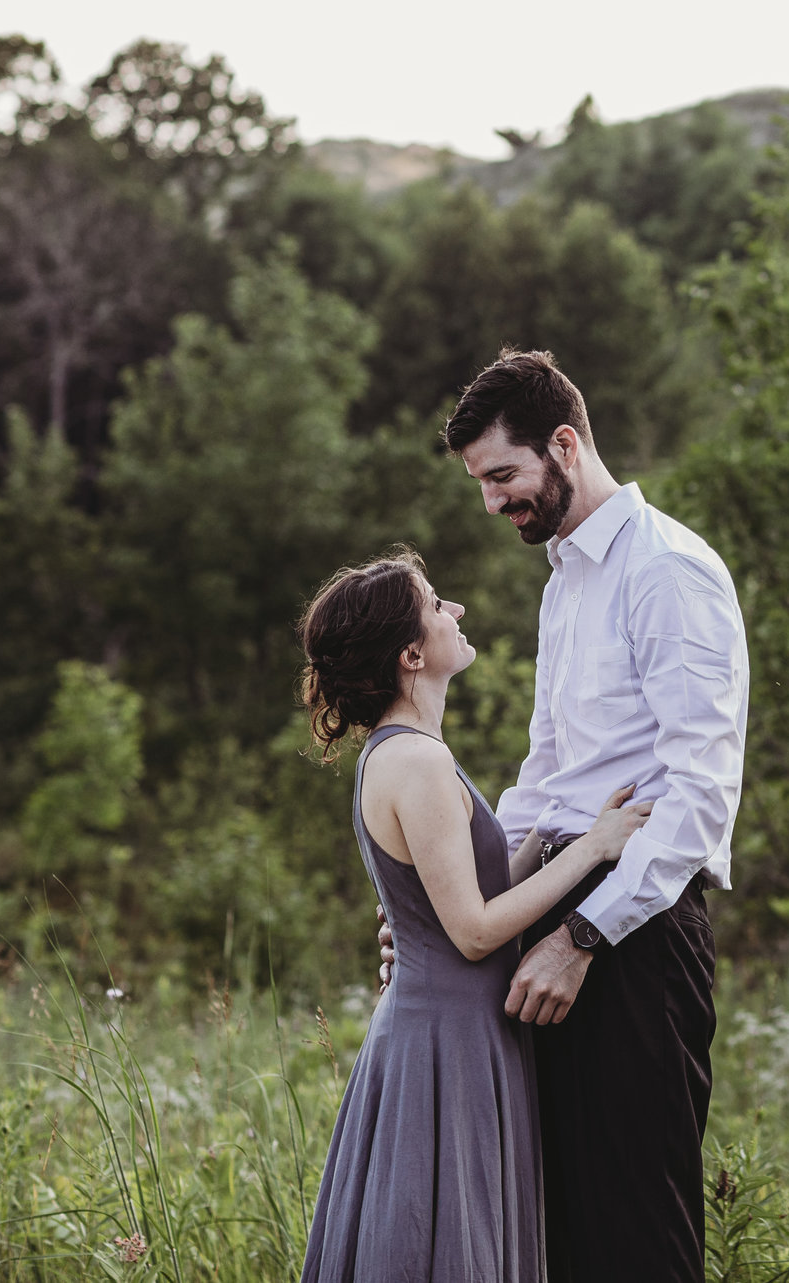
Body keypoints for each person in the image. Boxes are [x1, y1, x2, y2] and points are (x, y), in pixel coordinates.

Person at [382, 349, 749, 1283]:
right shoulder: (566, 581)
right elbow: (543, 783)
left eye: (503, 475)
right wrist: (442, 909)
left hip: (638, 929)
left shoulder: (667, 571)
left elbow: (699, 792)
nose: (493, 501)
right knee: (563, 1230)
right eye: (481, 484)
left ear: (565, 444)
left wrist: (583, 937)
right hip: (555, 906)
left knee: (637, 1229)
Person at [299, 546, 652, 1283]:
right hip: (445, 1043)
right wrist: (592, 849)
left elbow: (478, 890)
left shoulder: (410, 753)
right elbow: (474, 930)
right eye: (435, 604)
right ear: (410, 651)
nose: (454, 610)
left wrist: (562, 828)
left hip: (455, 1030)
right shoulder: (415, 762)